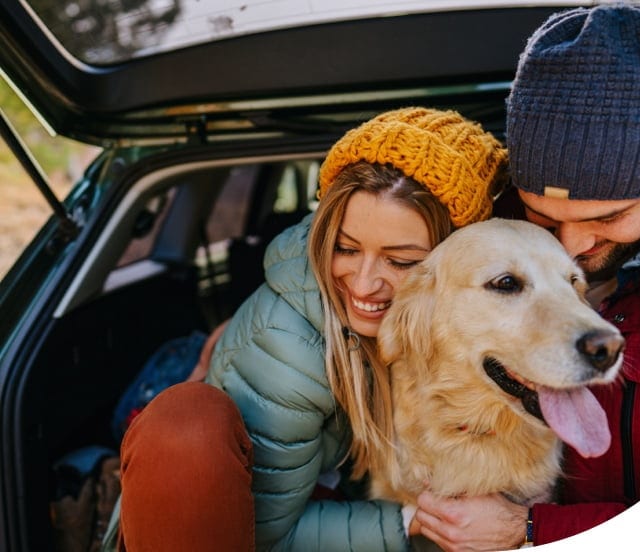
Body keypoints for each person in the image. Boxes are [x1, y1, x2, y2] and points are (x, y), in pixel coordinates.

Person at [410, 5, 640, 549]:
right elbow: (364, 257)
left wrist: (532, 532)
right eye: (544, 218)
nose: (572, 246)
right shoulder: (478, 232)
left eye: (607, 218)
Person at [102, 106, 507, 551]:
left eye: (401, 261)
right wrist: (418, 520)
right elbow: (270, 534)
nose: (365, 283)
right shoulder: (290, 352)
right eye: (346, 248)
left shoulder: (463, 317)